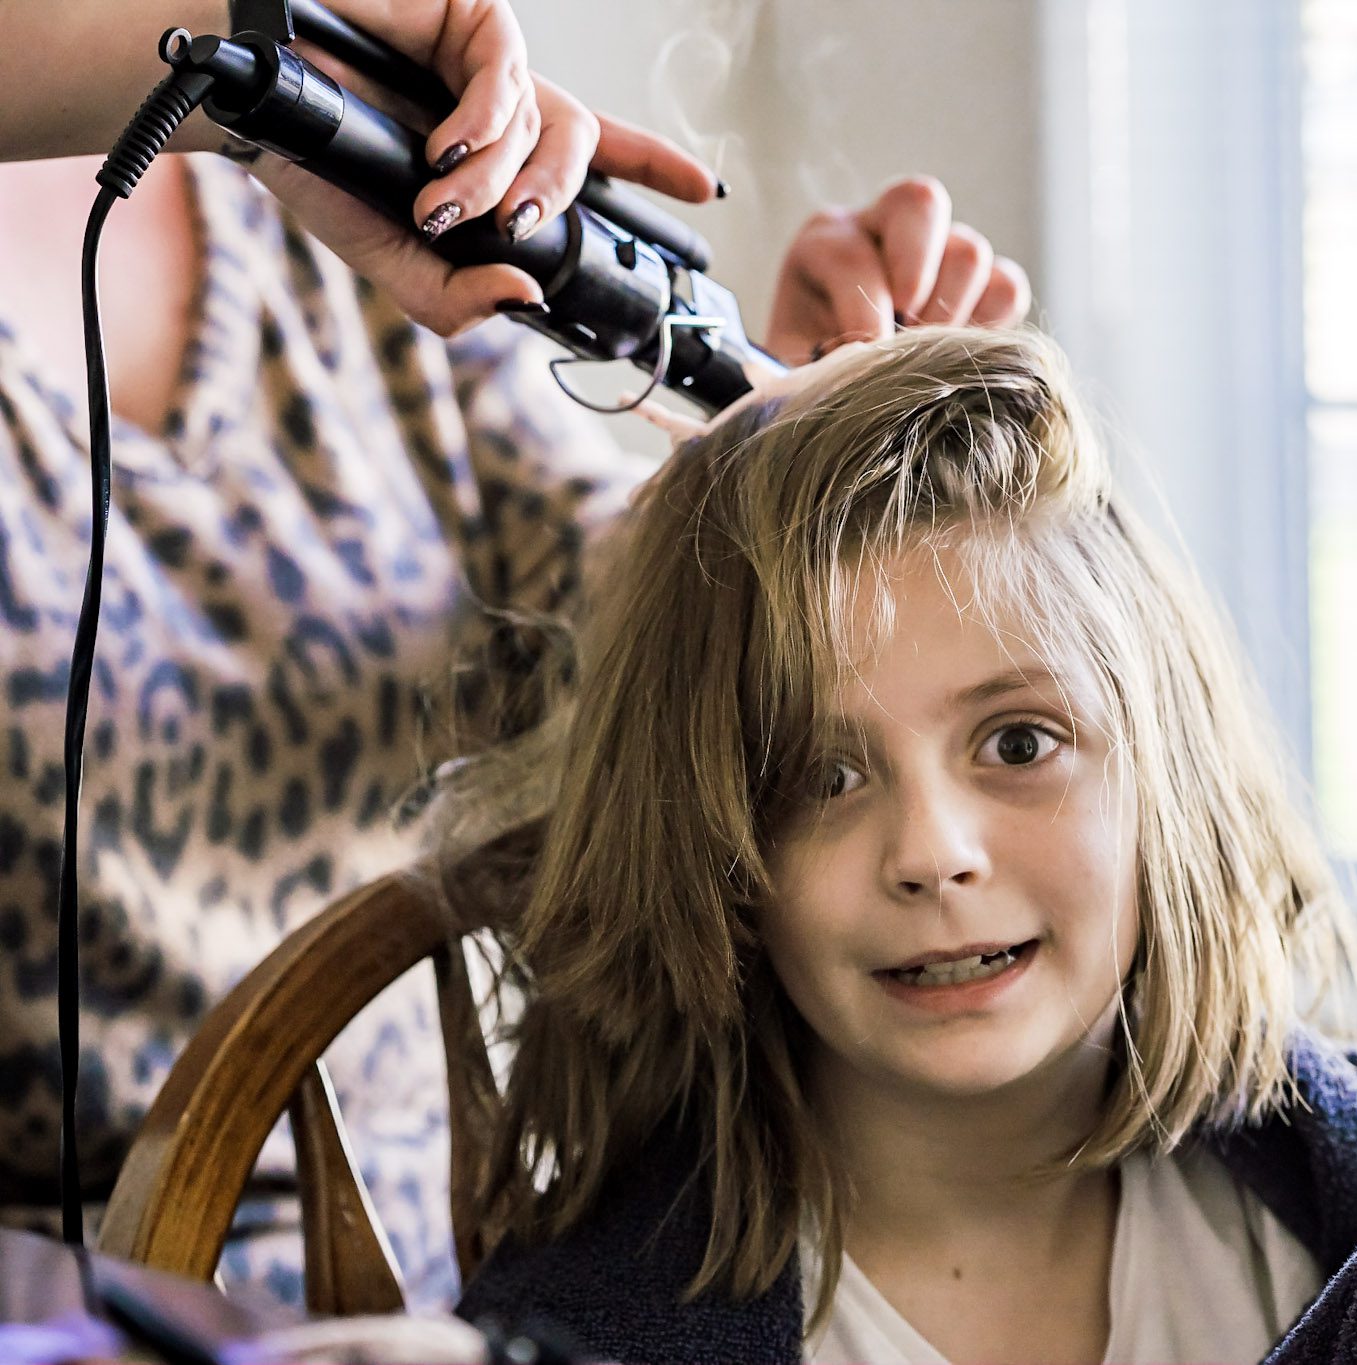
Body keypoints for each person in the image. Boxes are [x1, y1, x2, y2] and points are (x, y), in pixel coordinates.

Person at [444, 327, 1357, 1364]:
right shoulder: (587, 1326)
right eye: (821, 776)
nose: (934, 852)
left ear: (1159, 772)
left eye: (1017, 743)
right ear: (721, 858)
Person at [0, 0, 1027, 1310]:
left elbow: (600, 618)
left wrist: (786, 444)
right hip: (70, 1315)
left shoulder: (323, 186)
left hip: (451, 1276)